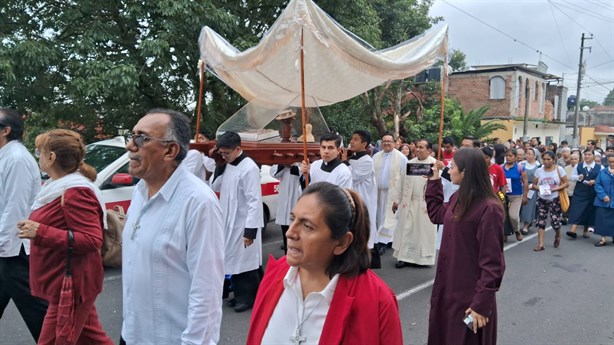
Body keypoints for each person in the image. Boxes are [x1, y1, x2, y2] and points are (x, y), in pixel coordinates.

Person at [246, 182, 403, 345]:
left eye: (307, 226)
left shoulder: (377, 301)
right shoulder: (275, 275)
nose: (290, 232)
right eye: (293, 219)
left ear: (342, 242)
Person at [120, 109, 225, 344]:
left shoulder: (198, 203)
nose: (130, 145)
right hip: (133, 334)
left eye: (141, 138)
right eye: (131, 135)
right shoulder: (139, 193)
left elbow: (206, 292)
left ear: (170, 150)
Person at [16, 129, 113, 344]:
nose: (37, 156)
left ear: (51, 157)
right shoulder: (56, 187)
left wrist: (40, 232)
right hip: (65, 279)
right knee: (92, 339)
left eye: (39, 152)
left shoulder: (75, 191)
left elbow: (91, 239)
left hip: (70, 284)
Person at [425, 148, 506, 345]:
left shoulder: (489, 209)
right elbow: (437, 214)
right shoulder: (458, 198)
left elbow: (493, 264)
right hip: (447, 289)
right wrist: (434, 181)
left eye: (452, 167)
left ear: (465, 172)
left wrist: (480, 304)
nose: (449, 171)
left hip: (470, 297)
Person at [0, 108, 48, 342]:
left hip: (14, 249)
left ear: (5, 130)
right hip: (7, 248)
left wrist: (1, 244)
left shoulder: (16, 159)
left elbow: (15, 209)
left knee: (37, 310)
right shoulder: (5, 156)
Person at [211, 131, 264, 313]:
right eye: (221, 153)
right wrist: (219, 166)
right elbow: (214, 186)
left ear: (238, 149)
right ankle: (240, 295)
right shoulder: (227, 164)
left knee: (245, 261)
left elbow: (254, 200)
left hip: (243, 223)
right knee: (233, 260)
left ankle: (248, 298)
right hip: (228, 221)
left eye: (226, 153)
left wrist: (250, 231)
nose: (224, 156)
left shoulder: (249, 167)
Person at [392, 139, 438, 267]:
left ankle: (422, 259)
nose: (417, 149)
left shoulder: (435, 165)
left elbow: (441, 186)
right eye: (417, 147)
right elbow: (402, 182)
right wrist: (397, 200)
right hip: (409, 201)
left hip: (426, 204)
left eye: (421, 147)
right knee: (407, 229)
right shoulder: (410, 164)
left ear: (429, 150)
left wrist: (438, 170)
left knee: (422, 232)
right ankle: (403, 257)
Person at [342, 130, 378, 261]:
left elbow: (353, 177)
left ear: (364, 144)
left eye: (356, 139)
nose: (351, 141)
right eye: (351, 138)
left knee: (362, 228)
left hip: (364, 200)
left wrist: (345, 162)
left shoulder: (367, 160)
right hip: (353, 198)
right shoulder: (353, 158)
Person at [372, 134, 408, 254]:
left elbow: (405, 177)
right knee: (379, 217)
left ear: (394, 143)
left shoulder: (401, 158)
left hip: (393, 193)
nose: (386, 143)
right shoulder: (376, 156)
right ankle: (378, 240)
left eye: (389, 141)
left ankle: (383, 243)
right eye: (384, 141)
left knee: (388, 218)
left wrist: (401, 196)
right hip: (378, 192)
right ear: (381, 143)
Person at [531, 151, 569, 251]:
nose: (546, 161)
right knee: (541, 221)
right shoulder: (539, 171)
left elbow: (566, 183)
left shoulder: (559, 169)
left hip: (555, 198)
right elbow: (534, 184)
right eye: (544, 159)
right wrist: (538, 188)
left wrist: (556, 189)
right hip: (542, 198)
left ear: (553, 160)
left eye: (549, 159)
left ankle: (557, 234)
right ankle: (541, 244)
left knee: (555, 222)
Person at [565, 149, 601, 239]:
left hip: (592, 192)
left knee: (589, 211)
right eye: (585, 154)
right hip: (580, 191)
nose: (587, 156)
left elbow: (602, 179)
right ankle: (573, 229)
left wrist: (595, 181)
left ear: (593, 156)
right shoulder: (578, 165)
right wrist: (578, 177)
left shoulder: (600, 167)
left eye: (589, 154)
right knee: (577, 209)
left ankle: (585, 230)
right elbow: (572, 177)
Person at [270, 163, 302, 253]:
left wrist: (293, 167)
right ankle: (286, 254)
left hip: (296, 200)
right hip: (284, 203)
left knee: (297, 232)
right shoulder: (283, 163)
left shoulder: (301, 163)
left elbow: (303, 174)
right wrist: (283, 164)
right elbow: (273, 173)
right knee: (285, 231)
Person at [502, 148, 529, 241]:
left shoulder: (520, 168)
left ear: (515, 157)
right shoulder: (501, 167)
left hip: (516, 195)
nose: (508, 158)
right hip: (503, 195)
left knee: (513, 215)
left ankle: (517, 231)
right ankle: (504, 233)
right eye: (507, 156)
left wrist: (525, 196)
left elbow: (525, 182)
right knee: (503, 215)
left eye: (510, 156)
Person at [593, 153, 614, 246]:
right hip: (603, 201)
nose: (612, 164)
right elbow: (597, 184)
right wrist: (603, 195)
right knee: (602, 220)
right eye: (610, 162)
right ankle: (603, 239)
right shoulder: (603, 172)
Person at [519, 148, 541, 234]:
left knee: (528, 207)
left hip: (532, 188)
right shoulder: (521, 164)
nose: (527, 155)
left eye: (530, 154)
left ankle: (525, 225)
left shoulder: (539, 166)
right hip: (521, 186)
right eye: (526, 154)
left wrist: (533, 186)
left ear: (535, 155)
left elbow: (540, 178)